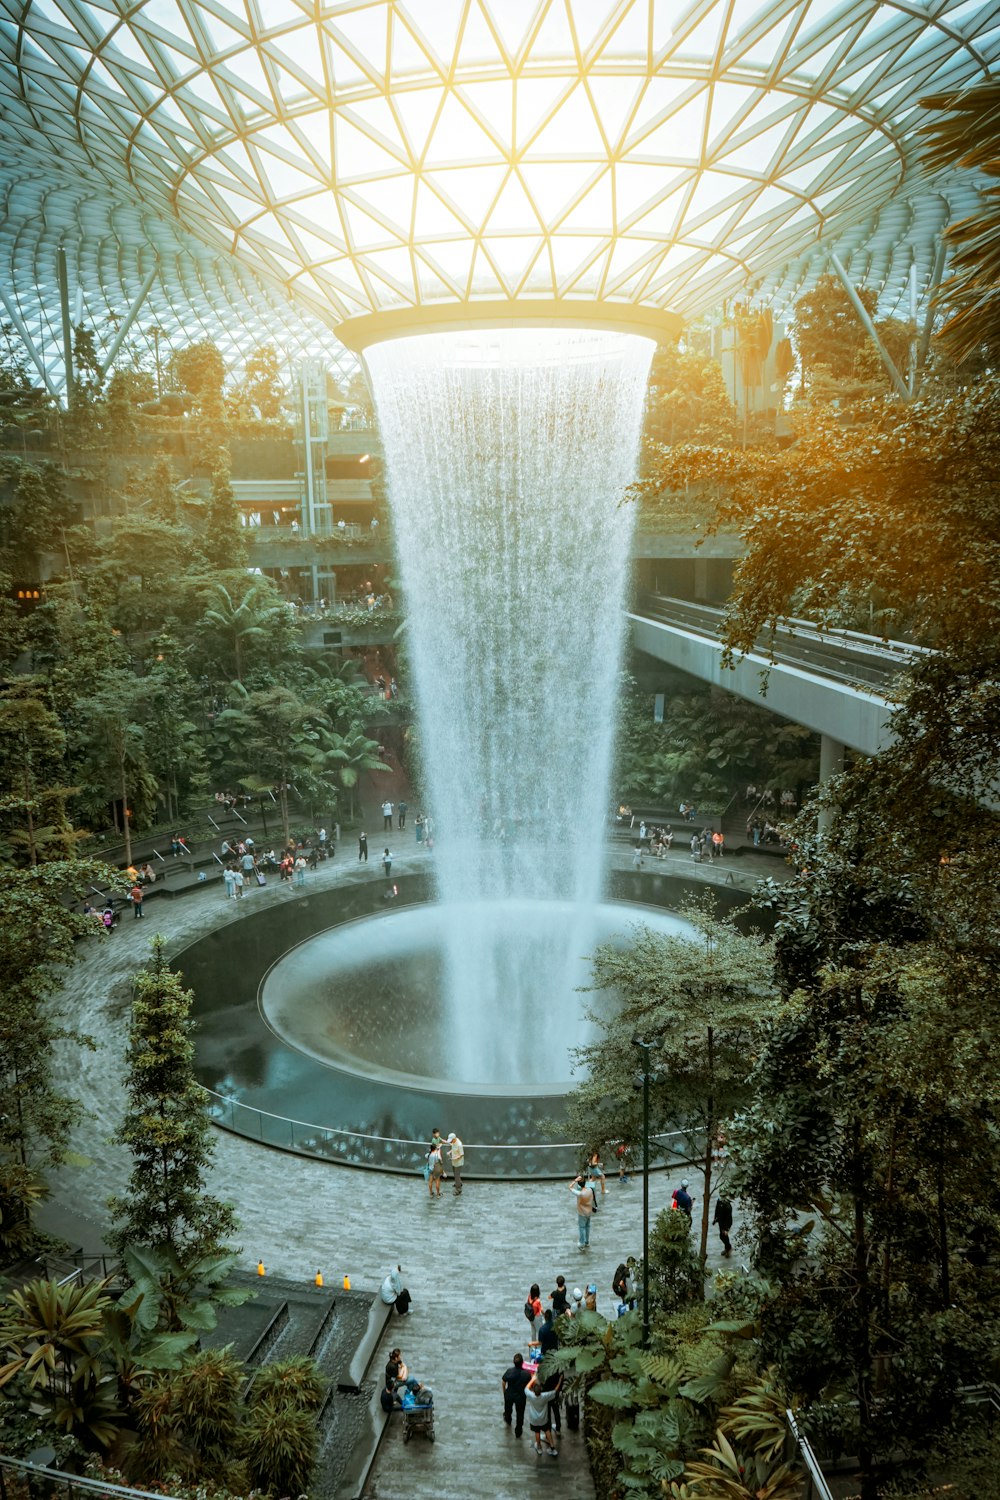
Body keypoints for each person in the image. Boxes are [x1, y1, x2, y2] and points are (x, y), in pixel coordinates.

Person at [525, 1370, 562, 1457]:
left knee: (537, 1432)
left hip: (534, 1419)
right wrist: (560, 1381)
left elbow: (526, 1387)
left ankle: (539, 1447)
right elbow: (555, 1391)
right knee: (547, 1430)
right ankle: (552, 1448)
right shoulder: (545, 1396)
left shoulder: (530, 1395)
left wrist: (532, 1378)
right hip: (544, 1419)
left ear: (533, 1391)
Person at [502, 1351, 531, 1436]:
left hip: (510, 1394)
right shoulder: (526, 1374)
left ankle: (508, 1419)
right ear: (522, 1363)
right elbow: (530, 1384)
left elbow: (503, 1382)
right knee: (520, 1413)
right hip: (520, 1396)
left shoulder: (509, 1371)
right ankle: (518, 1430)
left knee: (508, 1409)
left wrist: (505, 1392)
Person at [571, 1172, 595, 1250]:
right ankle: (587, 1242)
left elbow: (570, 1187)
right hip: (589, 1211)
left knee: (582, 1227)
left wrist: (575, 1180)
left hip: (582, 1213)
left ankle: (582, 1243)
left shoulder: (580, 1193)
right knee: (587, 1227)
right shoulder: (590, 1190)